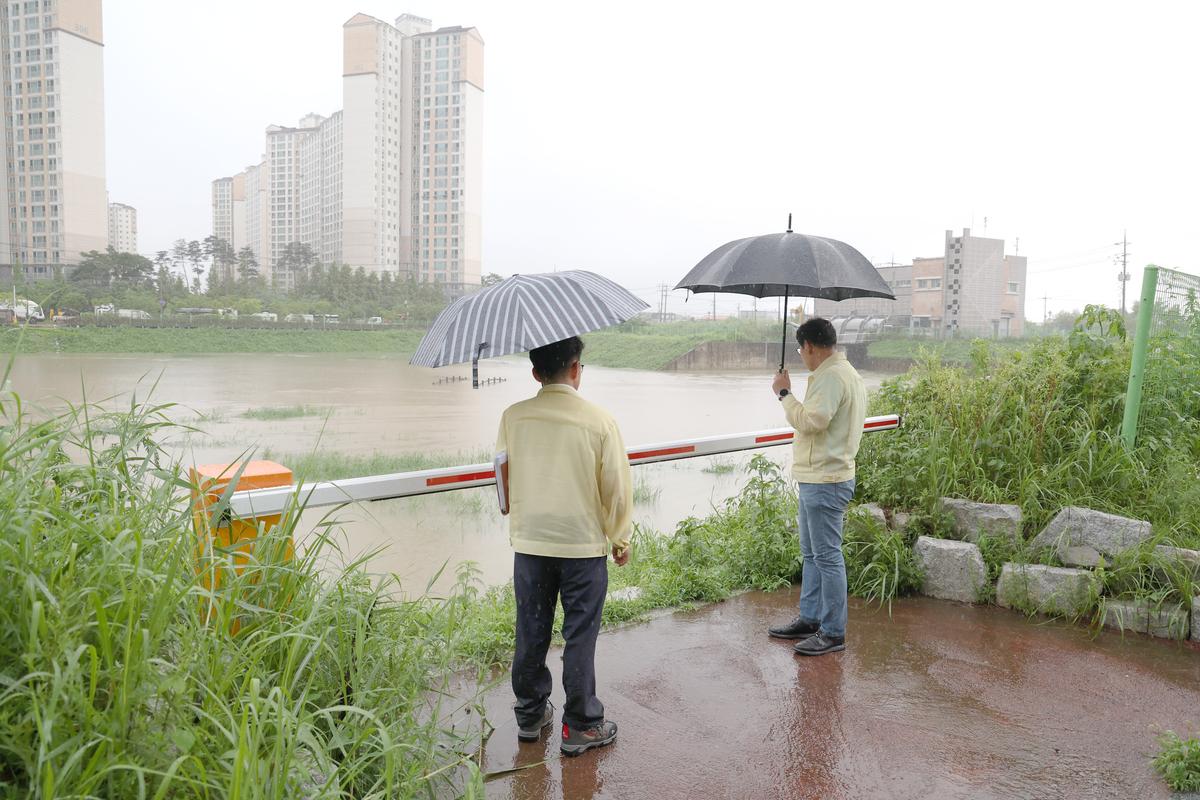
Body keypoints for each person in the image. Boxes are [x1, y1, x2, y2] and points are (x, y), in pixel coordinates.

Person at [495, 335, 632, 756]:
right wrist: (620, 537)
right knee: (579, 635)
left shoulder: (513, 417)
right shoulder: (600, 421)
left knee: (531, 629)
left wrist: (515, 509)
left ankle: (531, 714)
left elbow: (502, 474)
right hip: (582, 548)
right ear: (576, 369)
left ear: (536, 373)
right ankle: (581, 726)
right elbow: (616, 488)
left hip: (532, 543)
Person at [767, 318, 867, 656]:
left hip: (827, 479)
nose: (801, 355)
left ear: (810, 346)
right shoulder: (845, 373)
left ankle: (833, 632)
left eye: (801, 349)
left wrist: (784, 394)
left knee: (827, 557)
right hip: (820, 477)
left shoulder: (831, 377)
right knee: (812, 554)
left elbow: (812, 421)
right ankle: (810, 619)